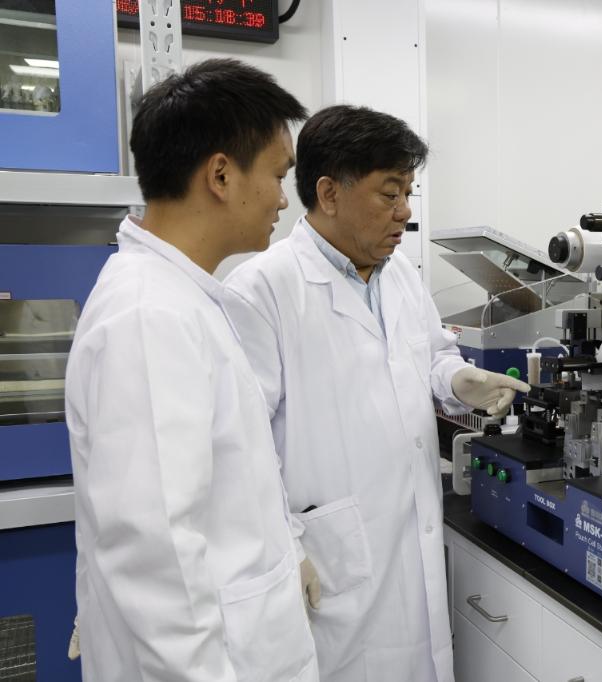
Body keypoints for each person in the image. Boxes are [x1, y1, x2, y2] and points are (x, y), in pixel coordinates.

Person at [221, 104, 530, 681]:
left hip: (408, 538)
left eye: (408, 193)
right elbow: (238, 449)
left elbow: (430, 354)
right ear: (329, 193)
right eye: (390, 194)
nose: (405, 211)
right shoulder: (260, 292)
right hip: (328, 562)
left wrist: (457, 380)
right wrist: (286, 548)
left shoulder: (400, 274)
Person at [65, 59, 319, 682]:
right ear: (221, 175)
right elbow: (156, 565)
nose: (283, 199)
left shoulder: (186, 297)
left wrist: (285, 547)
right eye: (278, 175)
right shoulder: (150, 316)